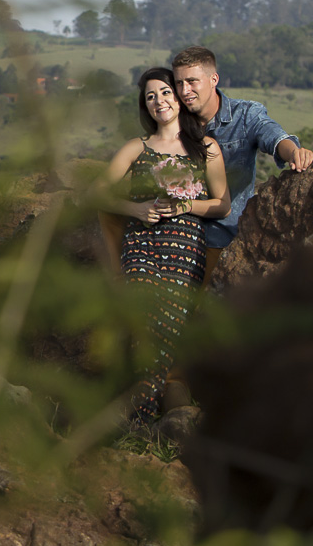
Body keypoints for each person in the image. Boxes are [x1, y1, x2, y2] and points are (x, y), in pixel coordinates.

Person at [91, 67, 230, 425]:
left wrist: (186, 205)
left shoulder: (206, 147)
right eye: (151, 96)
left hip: (185, 247)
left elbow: (222, 204)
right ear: (145, 106)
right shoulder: (137, 148)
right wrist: (134, 207)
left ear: (179, 97)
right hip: (141, 244)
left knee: (166, 325)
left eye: (165, 92)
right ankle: (143, 420)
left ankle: (140, 417)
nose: (159, 101)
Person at [171, 45, 313, 283]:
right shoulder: (174, 120)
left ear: (213, 79)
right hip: (176, 234)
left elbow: (274, 136)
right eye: (179, 83)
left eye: (192, 81)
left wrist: (295, 154)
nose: (185, 90)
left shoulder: (245, 114)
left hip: (223, 237)